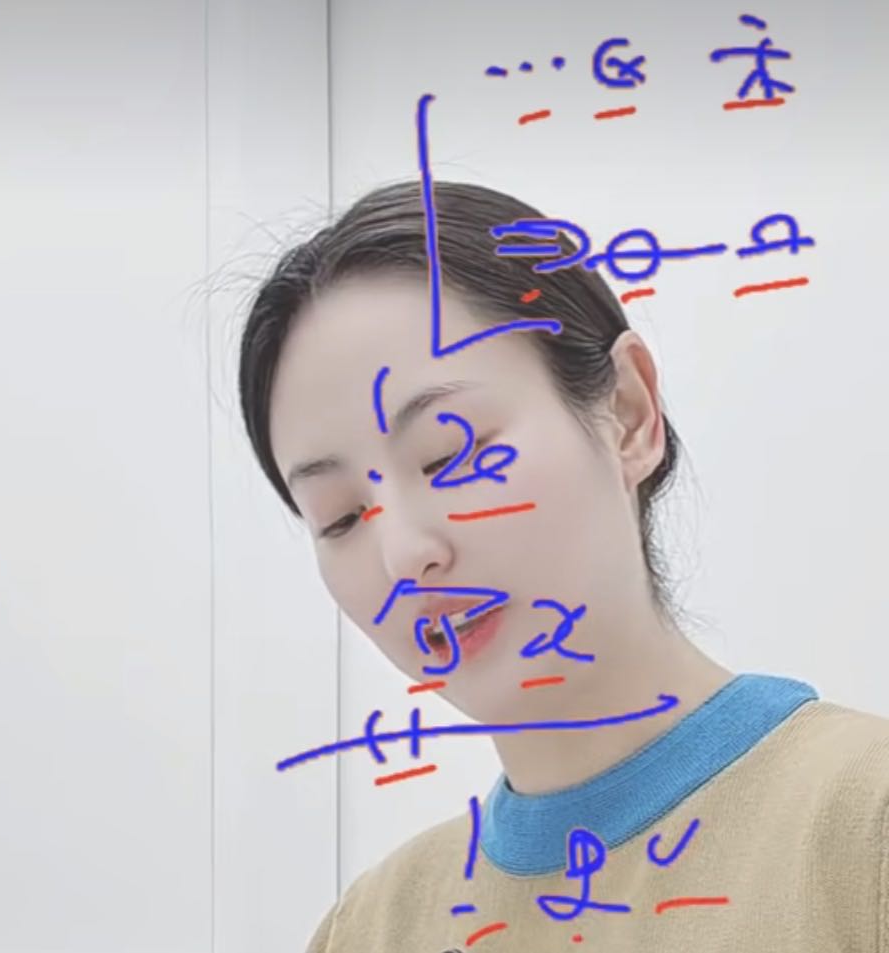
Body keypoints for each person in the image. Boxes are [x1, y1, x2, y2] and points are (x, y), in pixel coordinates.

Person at [237, 180, 889, 951]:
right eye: (341, 515)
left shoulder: (862, 828)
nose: (404, 553)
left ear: (628, 413)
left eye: (450, 454)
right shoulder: (372, 927)